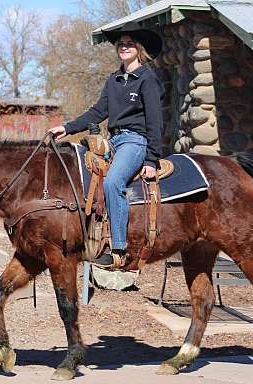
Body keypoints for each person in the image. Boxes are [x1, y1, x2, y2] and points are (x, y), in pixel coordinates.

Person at [48, 20, 165, 268]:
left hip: (134, 141)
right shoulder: (114, 80)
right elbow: (97, 111)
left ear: (139, 48)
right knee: (79, 172)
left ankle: (118, 250)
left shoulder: (147, 79)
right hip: (112, 141)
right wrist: (67, 128)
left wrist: (152, 159)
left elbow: (155, 120)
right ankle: (85, 239)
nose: (124, 47)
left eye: (129, 44)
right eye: (121, 44)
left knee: (112, 182)